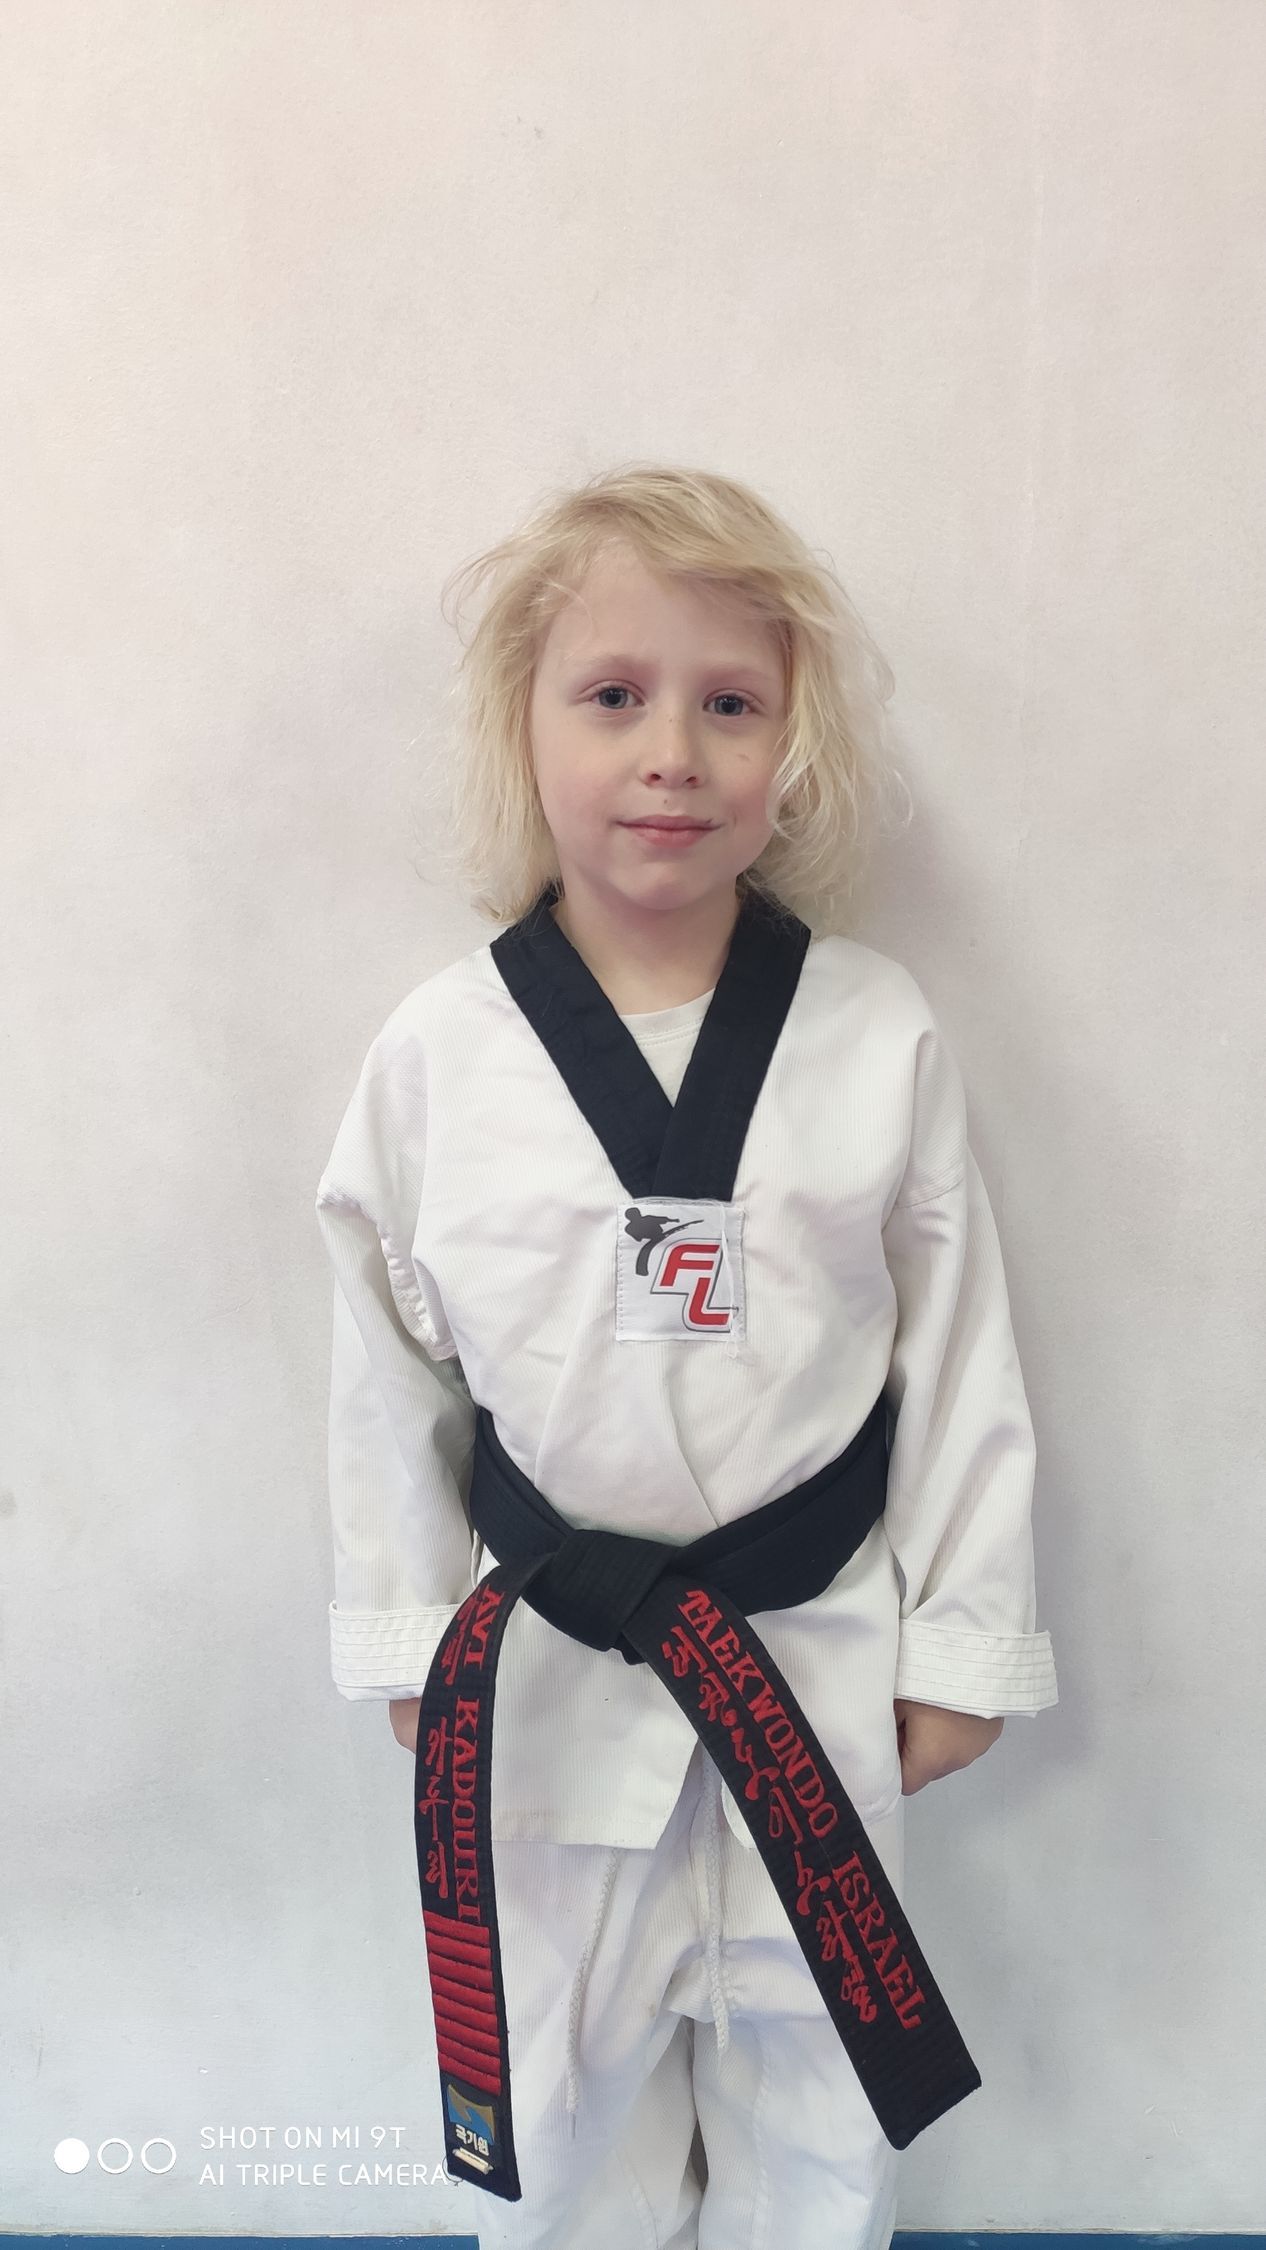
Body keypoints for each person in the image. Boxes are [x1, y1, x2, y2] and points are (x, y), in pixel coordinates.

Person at [314, 463, 1058, 2250]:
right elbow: (386, 1371)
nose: (672, 753)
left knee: (820, 2115)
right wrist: (408, 1638)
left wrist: (963, 1641)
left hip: (811, 1662)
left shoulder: (872, 1029)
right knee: (560, 2109)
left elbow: (958, 1356)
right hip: (551, 1681)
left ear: (794, 744)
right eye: (612, 695)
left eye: (731, 703)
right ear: (523, 729)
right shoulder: (441, 1053)